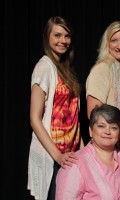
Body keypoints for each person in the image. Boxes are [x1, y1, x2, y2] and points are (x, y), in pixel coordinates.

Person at [27, 16, 83, 200]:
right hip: (53, 158)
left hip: (70, 155)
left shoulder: (65, 68)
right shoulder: (44, 67)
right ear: (47, 37)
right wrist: (57, 156)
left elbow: (74, 116)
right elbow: (35, 119)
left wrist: (83, 152)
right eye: (57, 35)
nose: (63, 41)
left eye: (67, 36)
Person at [56, 104, 120, 200]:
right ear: (90, 130)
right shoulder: (74, 163)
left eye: (114, 127)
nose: (108, 131)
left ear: (119, 132)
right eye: (101, 126)